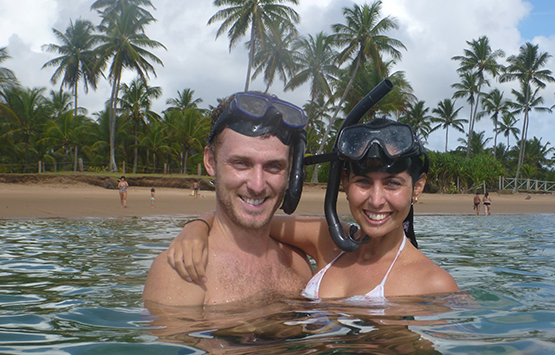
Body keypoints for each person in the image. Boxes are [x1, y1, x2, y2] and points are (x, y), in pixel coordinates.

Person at [170, 118, 458, 300]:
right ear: (344, 183)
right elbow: (249, 219)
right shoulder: (326, 239)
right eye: (363, 182)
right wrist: (197, 227)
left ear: (417, 188)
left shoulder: (434, 283)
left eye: (393, 184)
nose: (376, 199)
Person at [143, 92, 313, 306]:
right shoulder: (183, 272)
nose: (257, 185)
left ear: (290, 171)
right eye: (241, 163)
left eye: (273, 166)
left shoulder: (299, 264)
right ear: (210, 161)